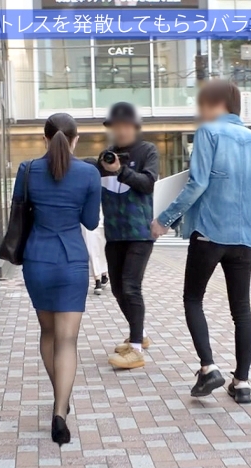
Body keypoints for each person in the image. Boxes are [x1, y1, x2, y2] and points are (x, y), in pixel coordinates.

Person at [151, 80, 251, 404]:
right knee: (241, 309)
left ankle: (208, 368)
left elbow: (197, 184)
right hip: (245, 238)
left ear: (218, 104)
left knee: (193, 298)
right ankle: (242, 383)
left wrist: (164, 220)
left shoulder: (209, 132)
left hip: (209, 233)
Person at [12, 113, 101, 444]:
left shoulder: (28, 170)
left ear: (45, 139)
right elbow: (90, 222)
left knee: (48, 333)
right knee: (67, 341)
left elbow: (18, 213)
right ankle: (60, 411)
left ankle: (60, 396)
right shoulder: (89, 173)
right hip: (72, 262)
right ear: (76, 139)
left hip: (37, 259)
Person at [93, 102, 159, 370]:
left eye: (125, 126)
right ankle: (138, 335)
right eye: (115, 126)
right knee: (118, 289)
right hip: (114, 234)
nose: (120, 131)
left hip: (140, 233)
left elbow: (148, 183)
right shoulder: (106, 155)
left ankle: (136, 351)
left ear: (134, 127)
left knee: (131, 286)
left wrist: (121, 171)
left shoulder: (147, 150)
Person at [81, 209, 110, 295]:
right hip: (91, 220)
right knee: (92, 250)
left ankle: (103, 274)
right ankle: (97, 279)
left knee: (102, 249)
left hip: (103, 219)